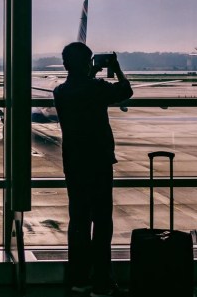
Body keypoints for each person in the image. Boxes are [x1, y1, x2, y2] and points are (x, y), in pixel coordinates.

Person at [53, 42, 133, 297]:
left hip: (74, 163)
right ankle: (101, 281)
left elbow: (79, 84)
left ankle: (78, 278)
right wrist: (116, 68)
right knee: (101, 221)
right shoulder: (97, 88)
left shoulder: (60, 92)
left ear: (65, 64)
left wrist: (91, 69)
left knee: (78, 220)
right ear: (88, 63)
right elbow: (126, 91)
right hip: (99, 161)